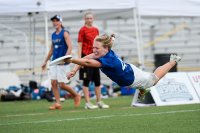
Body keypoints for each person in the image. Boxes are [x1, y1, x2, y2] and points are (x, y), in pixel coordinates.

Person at [67, 33, 181, 91]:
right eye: (93, 47)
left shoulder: (108, 59)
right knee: (151, 79)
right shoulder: (103, 52)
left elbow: (87, 63)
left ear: (106, 47)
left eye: (97, 48)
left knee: (153, 80)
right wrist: (74, 70)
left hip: (135, 78)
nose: (94, 50)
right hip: (130, 70)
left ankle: (172, 62)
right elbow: (86, 58)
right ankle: (143, 90)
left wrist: (71, 59)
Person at [41, 15, 81, 110]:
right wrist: (45, 61)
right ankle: (57, 103)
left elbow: (70, 47)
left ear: (60, 22)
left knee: (62, 85)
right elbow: (51, 49)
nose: (55, 22)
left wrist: (65, 58)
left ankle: (76, 95)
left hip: (63, 63)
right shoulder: (53, 34)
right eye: (53, 21)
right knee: (53, 82)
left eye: (56, 20)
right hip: (54, 61)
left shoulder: (65, 33)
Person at [78, 12, 109, 109]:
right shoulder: (82, 30)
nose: (89, 20)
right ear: (85, 19)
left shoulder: (96, 30)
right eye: (87, 18)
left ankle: (99, 101)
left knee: (97, 81)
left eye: (91, 18)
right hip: (86, 57)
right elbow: (79, 45)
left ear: (93, 19)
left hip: (95, 57)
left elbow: (99, 44)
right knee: (86, 81)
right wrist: (80, 60)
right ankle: (87, 103)